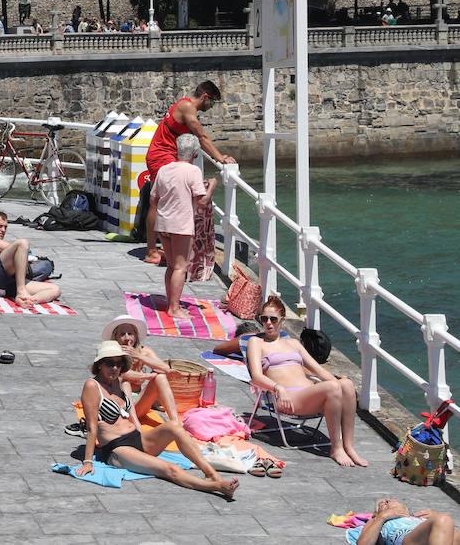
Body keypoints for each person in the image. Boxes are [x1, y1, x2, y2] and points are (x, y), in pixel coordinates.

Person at [77, 340, 238, 500]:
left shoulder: (118, 382)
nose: (115, 368)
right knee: (170, 468)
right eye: (110, 363)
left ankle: (212, 475)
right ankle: (217, 487)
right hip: (117, 449)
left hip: (138, 439)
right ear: (99, 364)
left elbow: (164, 370)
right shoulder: (92, 386)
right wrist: (87, 462)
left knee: (174, 426)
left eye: (119, 364)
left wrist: (142, 362)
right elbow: (92, 428)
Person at [246, 295, 367, 467]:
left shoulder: (294, 343)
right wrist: (278, 388)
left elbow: (318, 370)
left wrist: (341, 386)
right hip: (288, 397)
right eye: (264, 319)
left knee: (345, 383)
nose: (268, 323)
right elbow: (256, 376)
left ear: (282, 320)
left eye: (273, 319)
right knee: (333, 386)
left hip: (310, 394)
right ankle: (336, 448)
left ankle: (349, 447)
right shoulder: (256, 342)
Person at [138, 81, 235, 263]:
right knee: (157, 203)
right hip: (161, 156)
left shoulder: (185, 104)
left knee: (162, 201)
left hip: (165, 155)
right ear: (205, 97)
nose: (212, 107)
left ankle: (164, 246)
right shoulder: (188, 107)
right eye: (213, 102)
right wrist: (220, 158)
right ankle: (151, 251)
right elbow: (202, 136)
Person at [149, 133, 218, 319]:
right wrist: (212, 185)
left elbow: (153, 198)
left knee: (171, 266)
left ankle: (171, 302)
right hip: (181, 224)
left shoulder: (164, 169)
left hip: (163, 222)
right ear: (195, 154)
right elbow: (202, 201)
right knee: (180, 267)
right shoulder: (193, 171)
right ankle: (174, 308)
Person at [102, 315, 183, 427]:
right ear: (115, 337)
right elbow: (122, 374)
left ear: (135, 336)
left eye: (130, 334)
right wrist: (147, 376)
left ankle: (176, 423)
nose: (127, 338)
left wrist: (139, 356)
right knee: (124, 382)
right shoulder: (112, 353)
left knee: (161, 376)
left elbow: (166, 369)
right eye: (122, 334)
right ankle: (135, 423)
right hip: (120, 405)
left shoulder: (143, 351)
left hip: (139, 402)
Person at [0, 210, 61, 308]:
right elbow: (14, 246)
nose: (3, 230)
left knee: (55, 289)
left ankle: (27, 300)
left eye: (5, 227)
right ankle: (21, 291)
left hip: (6, 286)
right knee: (23, 243)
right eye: (0, 226)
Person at [351, 498, 459, 545]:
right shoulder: (376, 520)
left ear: (405, 508)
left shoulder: (416, 517)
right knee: (443, 519)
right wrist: (382, 516)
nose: (387, 500)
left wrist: (435, 516)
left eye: (391, 500)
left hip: (426, 536)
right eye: (382, 505)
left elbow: (445, 535)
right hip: (407, 540)